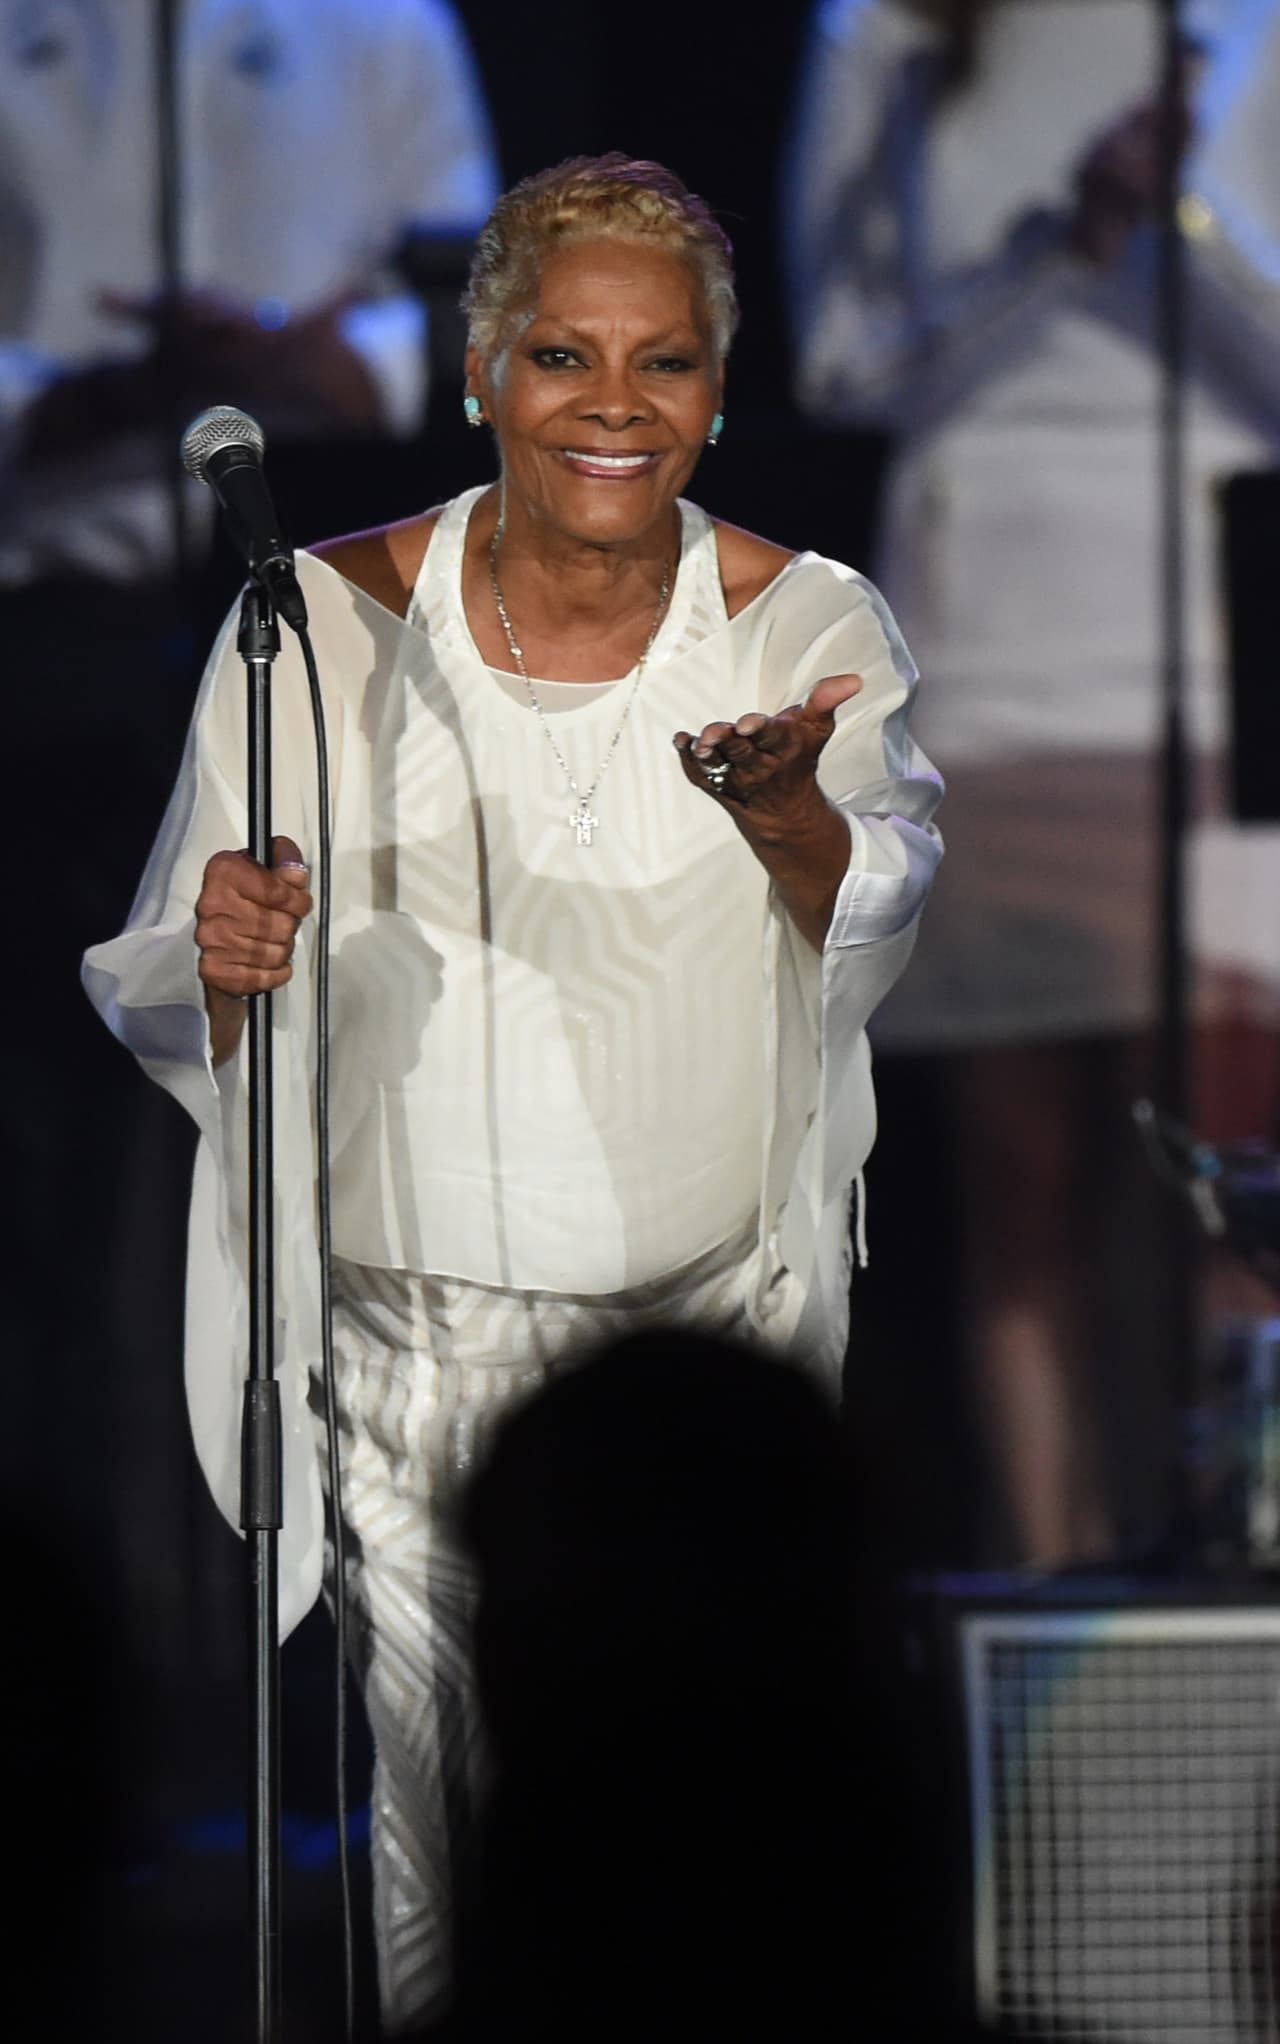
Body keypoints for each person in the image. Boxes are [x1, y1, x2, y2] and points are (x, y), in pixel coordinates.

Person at [83, 153, 942, 2033]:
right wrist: (228, 960)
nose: (615, 406)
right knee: (448, 1845)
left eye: (666, 364)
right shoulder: (303, 629)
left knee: (716, 1831)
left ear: (720, 383)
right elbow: (166, 970)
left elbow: (881, 898)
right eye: (564, 356)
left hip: (713, 1351)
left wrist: (787, 811)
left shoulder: (809, 626)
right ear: (481, 373)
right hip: (417, 1363)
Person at [785, 0, 1280, 1567]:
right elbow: (839, 357)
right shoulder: (888, 26)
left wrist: (1189, 220)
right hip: (987, 674)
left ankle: (1234, 1583)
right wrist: (1061, 246)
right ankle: (1057, 1605)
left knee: (1227, 1178)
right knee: (1029, 1183)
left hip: (1223, 668)